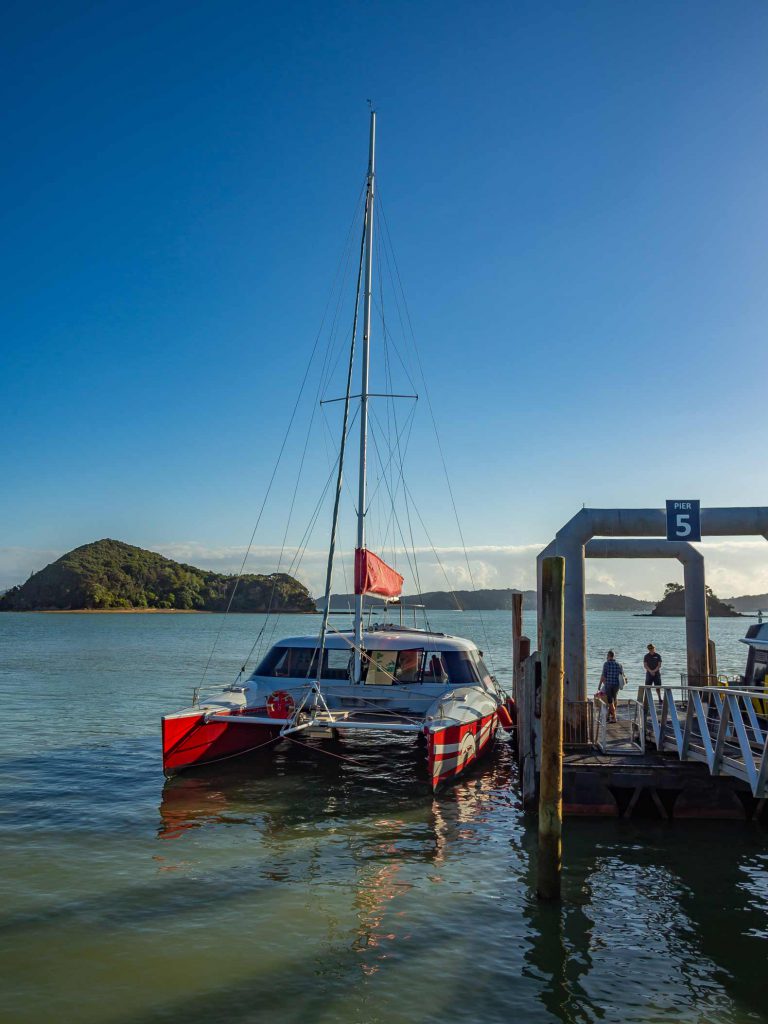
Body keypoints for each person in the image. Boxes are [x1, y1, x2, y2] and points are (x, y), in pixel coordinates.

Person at [599, 650, 623, 723]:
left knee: (610, 701)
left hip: (609, 685)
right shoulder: (619, 664)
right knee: (614, 700)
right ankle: (609, 716)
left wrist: (599, 685)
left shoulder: (606, 664)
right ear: (614, 656)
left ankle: (614, 717)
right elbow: (622, 676)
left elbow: (603, 676)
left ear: (609, 656)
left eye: (607, 655)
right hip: (616, 685)